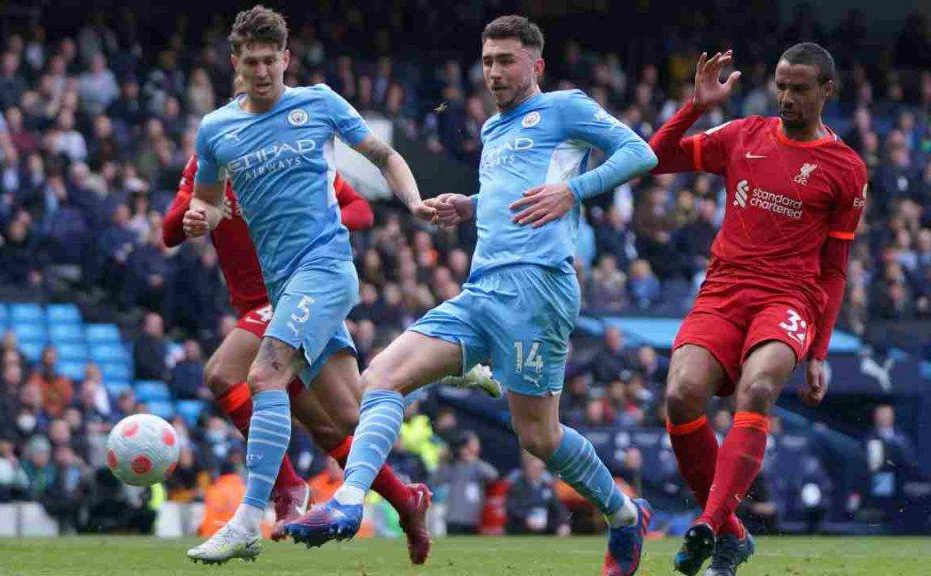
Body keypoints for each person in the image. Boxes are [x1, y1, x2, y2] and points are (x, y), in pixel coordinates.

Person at [287, 15, 657, 576]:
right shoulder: (492, 130)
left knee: (539, 437)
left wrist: (572, 191)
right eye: (487, 61)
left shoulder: (565, 107)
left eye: (506, 60)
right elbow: (508, 194)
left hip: (538, 289)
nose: (494, 72)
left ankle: (626, 514)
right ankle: (347, 502)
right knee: (378, 381)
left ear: (536, 64)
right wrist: (472, 204)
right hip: (481, 289)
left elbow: (639, 152)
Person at [183, 5, 437, 565]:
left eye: (272, 60)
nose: (263, 71)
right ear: (236, 63)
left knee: (263, 374)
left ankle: (252, 517)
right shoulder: (217, 130)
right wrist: (202, 218)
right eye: (252, 62)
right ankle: (412, 492)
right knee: (349, 416)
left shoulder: (318, 103)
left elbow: (384, 154)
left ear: (286, 59)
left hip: (325, 267)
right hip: (284, 286)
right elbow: (205, 201)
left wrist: (414, 201)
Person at [649, 44, 867, 576]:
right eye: (781, 86)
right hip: (724, 290)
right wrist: (696, 107)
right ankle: (732, 534)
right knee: (680, 395)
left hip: (789, 297)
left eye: (799, 88)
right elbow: (657, 156)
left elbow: (835, 268)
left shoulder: (845, 168)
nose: (787, 98)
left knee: (759, 388)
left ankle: (709, 523)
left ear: (826, 91)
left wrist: (818, 352)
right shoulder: (743, 134)